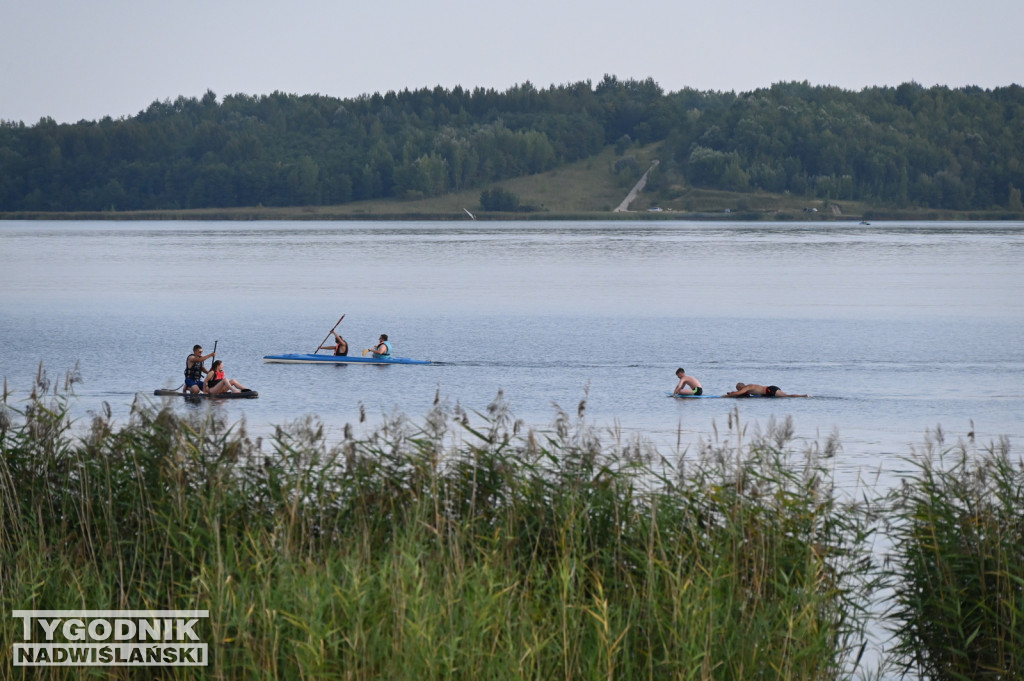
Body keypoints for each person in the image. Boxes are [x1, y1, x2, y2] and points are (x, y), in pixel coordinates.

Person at [725, 383, 809, 398]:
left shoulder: (747, 387)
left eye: (738, 389)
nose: (738, 390)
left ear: (740, 387)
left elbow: (739, 393)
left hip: (770, 390)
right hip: (767, 393)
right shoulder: (748, 388)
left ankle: (804, 396)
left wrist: (725, 396)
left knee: (786, 396)